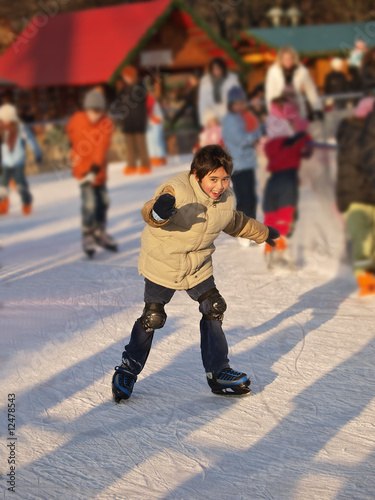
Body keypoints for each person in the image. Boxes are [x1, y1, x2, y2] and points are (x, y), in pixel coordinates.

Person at [112, 145, 280, 402]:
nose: (219, 186)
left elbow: (234, 222)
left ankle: (218, 372)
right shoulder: (176, 189)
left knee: (214, 307)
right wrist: (158, 213)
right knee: (153, 317)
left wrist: (264, 232)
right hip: (163, 261)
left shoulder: (226, 198)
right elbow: (151, 211)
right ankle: (127, 370)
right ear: (197, 174)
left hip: (198, 265)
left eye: (225, 179)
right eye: (213, 179)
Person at [66, 89, 117, 258]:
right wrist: (72, 155)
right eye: (92, 111)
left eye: (99, 111)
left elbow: (101, 150)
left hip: (98, 171)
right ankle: (88, 234)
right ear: (86, 109)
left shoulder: (106, 123)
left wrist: (94, 172)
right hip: (82, 170)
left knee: (103, 201)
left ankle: (99, 231)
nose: (95, 115)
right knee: (89, 204)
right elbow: (71, 137)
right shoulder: (77, 120)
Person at [263, 96, 312, 268]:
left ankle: (269, 250)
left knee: (271, 214)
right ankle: (281, 253)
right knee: (285, 215)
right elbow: (306, 147)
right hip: (287, 180)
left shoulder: (269, 145)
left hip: (273, 181)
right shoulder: (294, 140)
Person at [337, 97, 375, 296]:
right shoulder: (354, 134)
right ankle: (364, 275)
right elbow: (360, 159)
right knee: (362, 237)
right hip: (355, 194)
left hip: (366, 193)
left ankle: (369, 272)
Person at [222, 86, 265, 247]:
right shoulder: (229, 120)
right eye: (236, 103)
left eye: (241, 103)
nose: (239, 106)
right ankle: (242, 231)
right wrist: (257, 134)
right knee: (244, 198)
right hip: (238, 165)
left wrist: (260, 129)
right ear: (231, 104)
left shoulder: (242, 117)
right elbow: (240, 139)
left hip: (248, 163)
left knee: (252, 198)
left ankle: (252, 228)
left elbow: (252, 130)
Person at [0, 104, 42, 216]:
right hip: (5, 162)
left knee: (20, 186)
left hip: (18, 162)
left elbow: (31, 140)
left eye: (7, 120)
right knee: (2, 187)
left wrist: (37, 153)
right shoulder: (1, 130)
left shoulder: (21, 128)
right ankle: (2, 206)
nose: (5, 123)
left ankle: (27, 203)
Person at [265, 46, 323, 120]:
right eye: (285, 59)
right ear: (280, 59)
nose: (288, 61)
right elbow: (270, 94)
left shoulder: (302, 71)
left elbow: (310, 90)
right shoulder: (273, 72)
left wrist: (317, 108)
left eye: (290, 59)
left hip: (298, 111)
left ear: (294, 58)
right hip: (280, 112)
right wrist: (272, 113)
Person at [119, 66, 151, 175]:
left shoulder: (139, 86)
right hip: (128, 121)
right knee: (130, 146)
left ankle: (145, 164)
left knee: (141, 144)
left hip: (138, 120)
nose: (125, 79)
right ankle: (131, 165)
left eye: (126, 76)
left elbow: (136, 99)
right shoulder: (125, 88)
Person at [198, 57, 240, 126]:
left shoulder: (232, 80)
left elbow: (238, 98)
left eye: (219, 68)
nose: (217, 71)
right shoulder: (205, 82)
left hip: (229, 115)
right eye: (214, 69)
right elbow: (202, 103)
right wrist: (206, 119)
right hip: (212, 116)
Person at [146, 89, 167, 167]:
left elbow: (156, 114)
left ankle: (158, 158)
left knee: (155, 142)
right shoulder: (151, 100)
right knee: (153, 142)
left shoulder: (151, 101)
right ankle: (157, 158)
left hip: (154, 123)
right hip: (151, 123)